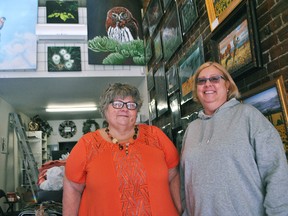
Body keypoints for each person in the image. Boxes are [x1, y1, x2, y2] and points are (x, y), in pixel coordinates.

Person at [180, 61, 288, 215]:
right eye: (201, 81)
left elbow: (276, 172)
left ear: (228, 85)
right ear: (196, 89)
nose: (207, 84)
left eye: (215, 79)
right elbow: (185, 185)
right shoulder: (191, 129)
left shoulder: (248, 116)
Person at [63, 83, 182, 215]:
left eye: (131, 105)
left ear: (136, 112)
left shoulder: (155, 136)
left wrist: (179, 210)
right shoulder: (87, 144)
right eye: (118, 104)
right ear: (105, 108)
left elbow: (174, 175)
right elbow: (73, 187)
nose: (124, 109)